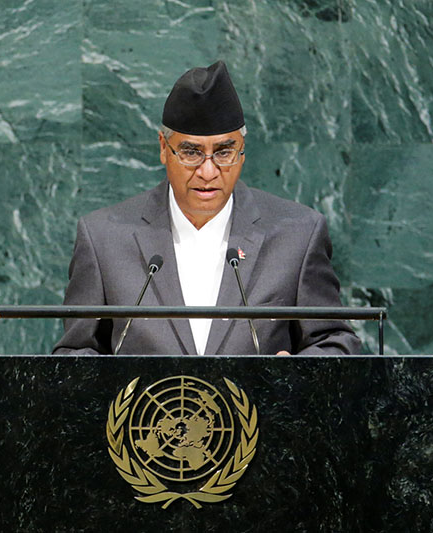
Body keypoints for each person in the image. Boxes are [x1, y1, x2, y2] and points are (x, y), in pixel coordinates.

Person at [53, 61, 360, 355]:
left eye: (224, 152)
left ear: (242, 150)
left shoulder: (298, 235)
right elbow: (75, 351)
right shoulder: (104, 239)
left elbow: (337, 343)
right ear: (163, 147)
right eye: (191, 152)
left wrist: (293, 378)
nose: (208, 172)